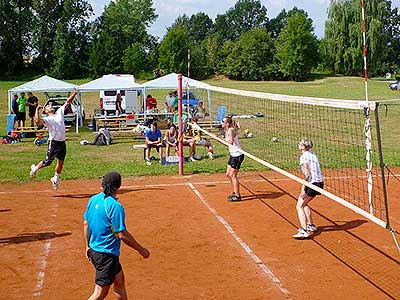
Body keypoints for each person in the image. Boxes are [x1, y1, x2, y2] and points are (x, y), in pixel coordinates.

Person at [84, 171, 150, 300]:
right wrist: (141, 250)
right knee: (100, 292)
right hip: (105, 254)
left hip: (98, 251)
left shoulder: (93, 199)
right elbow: (122, 234)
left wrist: (87, 246)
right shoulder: (115, 206)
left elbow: (86, 223)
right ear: (118, 186)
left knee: (119, 282)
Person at [29, 89, 79, 190]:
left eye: (50, 105)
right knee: (48, 162)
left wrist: (74, 93)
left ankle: (55, 179)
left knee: (61, 162)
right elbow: (37, 121)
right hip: (54, 143)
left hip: (62, 143)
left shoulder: (59, 112)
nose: (50, 105)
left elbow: (68, 101)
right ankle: (34, 169)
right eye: (48, 106)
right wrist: (37, 109)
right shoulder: (47, 119)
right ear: (46, 111)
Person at [293, 138, 324, 239]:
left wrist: (303, 187)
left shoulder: (303, 157)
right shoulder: (312, 154)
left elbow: (307, 174)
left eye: (300, 143)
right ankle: (311, 225)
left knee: (299, 206)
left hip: (312, 184)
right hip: (319, 183)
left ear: (303, 146)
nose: (298, 145)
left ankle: (304, 230)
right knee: (304, 203)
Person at [223, 116, 244, 202]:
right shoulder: (229, 130)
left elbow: (231, 142)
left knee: (233, 175)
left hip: (237, 155)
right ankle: (235, 191)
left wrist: (221, 140)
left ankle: (237, 195)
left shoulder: (230, 131)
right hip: (233, 155)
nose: (221, 123)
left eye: (223, 121)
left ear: (227, 123)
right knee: (228, 174)